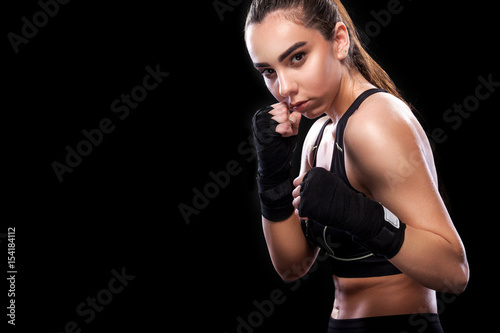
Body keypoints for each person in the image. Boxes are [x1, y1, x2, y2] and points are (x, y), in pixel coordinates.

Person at [245, 0, 469, 332]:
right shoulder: (318, 134)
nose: (284, 88)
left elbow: (454, 272)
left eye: (297, 58)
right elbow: (292, 267)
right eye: (269, 72)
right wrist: (272, 177)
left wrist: (362, 216)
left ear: (339, 40)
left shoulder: (374, 123)